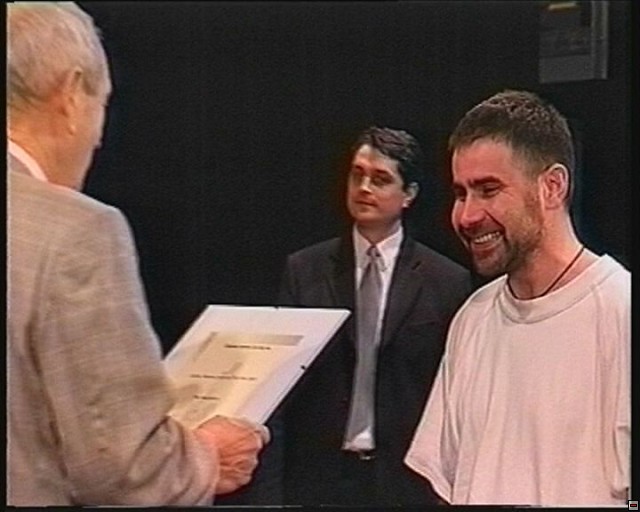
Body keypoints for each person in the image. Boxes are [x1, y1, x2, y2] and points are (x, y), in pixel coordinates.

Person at [7, 2, 268, 506]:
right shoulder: (77, 232)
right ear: (70, 95)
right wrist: (208, 456)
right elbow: (124, 469)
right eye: (101, 105)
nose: (98, 138)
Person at [405, 90, 630, 506]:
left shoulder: (623, 311)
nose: (467, 216)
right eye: (461, 193)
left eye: (488, 190)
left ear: (552, 187)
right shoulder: (473, 317)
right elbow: (446, 483)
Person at [278, 126, 472, 506]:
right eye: (358, 175)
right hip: (318, 477)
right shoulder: (305, 269)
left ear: (409, 194)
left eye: (380, 179)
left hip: (404, 480)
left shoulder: (446, 281)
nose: (364, 188)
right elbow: (283, 388)